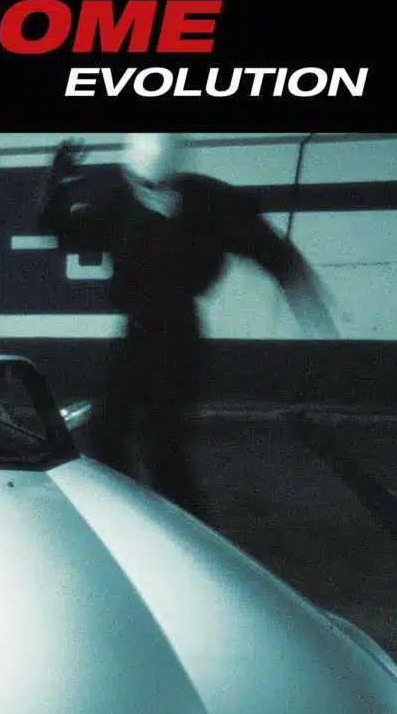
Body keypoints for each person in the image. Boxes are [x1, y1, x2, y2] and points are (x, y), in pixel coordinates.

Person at [36, 133, 336, 518]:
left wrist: (302, 294)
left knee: (162, 444)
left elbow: (269, 248)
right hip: (138, 332)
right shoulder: (121, 203)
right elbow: (59, 227)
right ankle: (130, 513)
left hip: (178, 337)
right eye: (143, 186)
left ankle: (186, 524)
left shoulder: (209, 203)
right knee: (106, 433)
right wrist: (56, 184)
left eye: (157, 186)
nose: (149, 193)